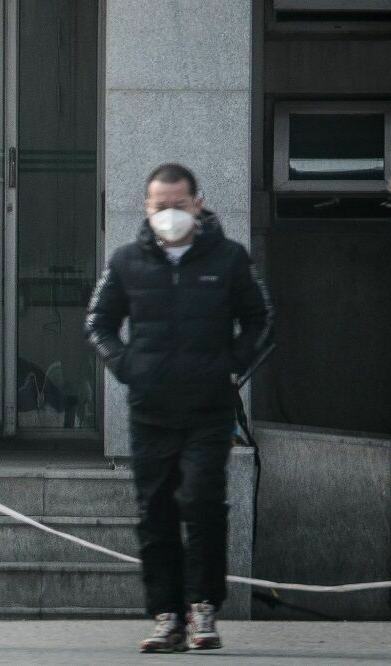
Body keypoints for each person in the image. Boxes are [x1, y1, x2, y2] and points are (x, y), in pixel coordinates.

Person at [84, 164, 273, 653]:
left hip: (209, 409)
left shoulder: (229, 259)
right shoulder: (127, 261)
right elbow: (98, 323)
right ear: (146, 208)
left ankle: (203, 607)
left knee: (203, 502)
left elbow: (261, 320)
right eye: (160, 205)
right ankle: (166, 615)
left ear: (197, 204)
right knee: (155, 511)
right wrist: (127, 366)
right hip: (150, 410)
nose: (170, 214)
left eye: (178, 204)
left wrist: (232, 366)